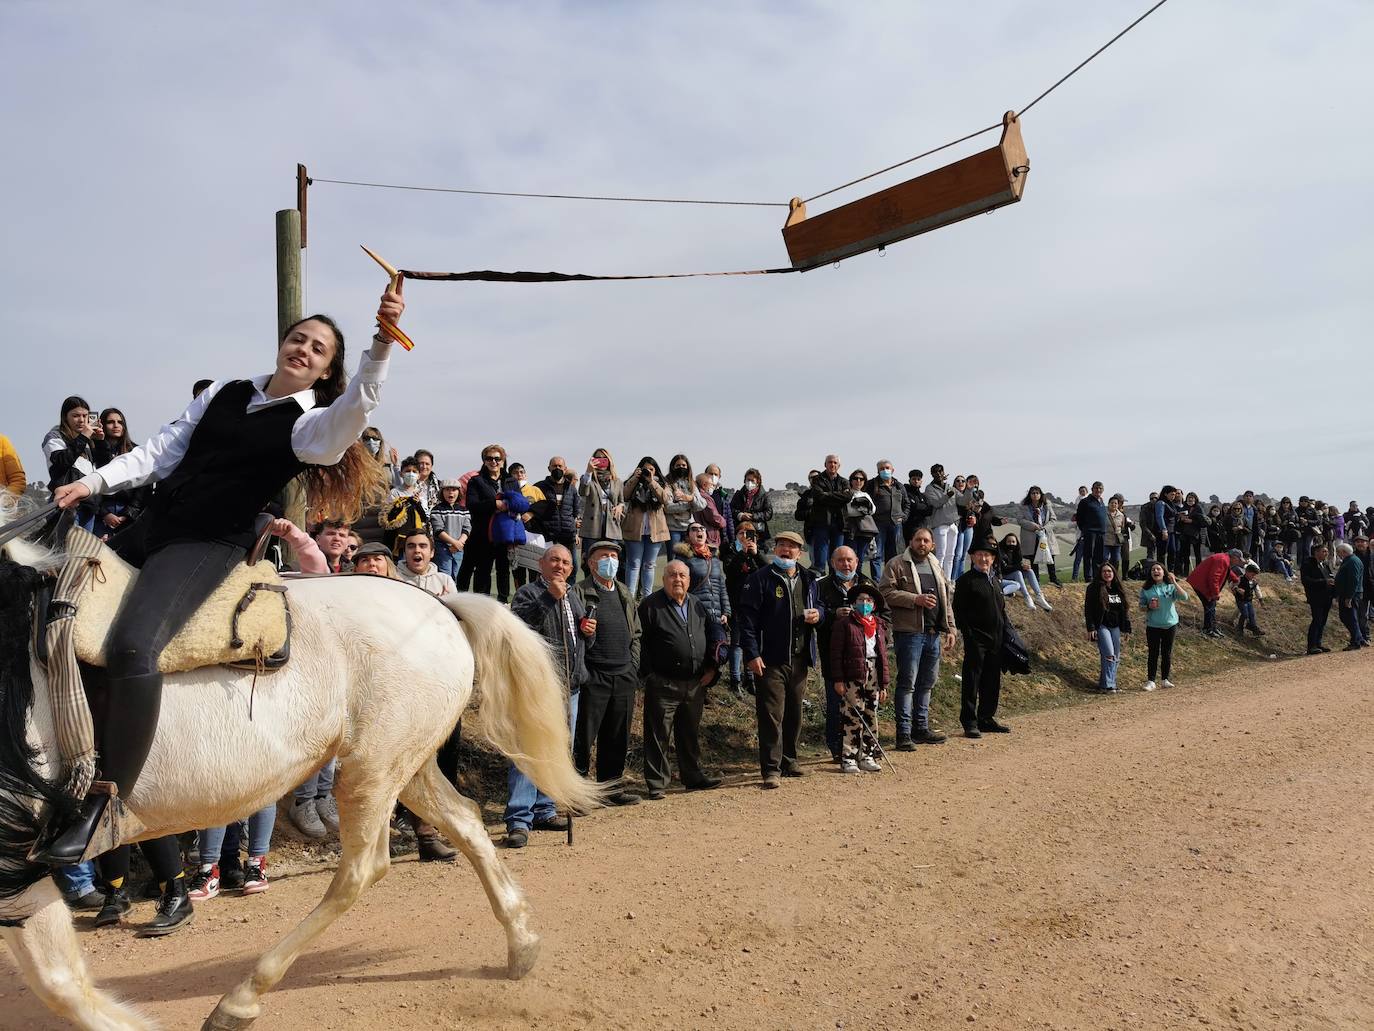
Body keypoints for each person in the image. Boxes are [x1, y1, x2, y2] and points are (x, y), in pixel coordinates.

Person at [42, 284, 403, 872]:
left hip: (208, 544)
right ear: (282, 343)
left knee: (134, 646)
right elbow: (160, 450)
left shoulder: (308, 425)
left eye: (317, 349)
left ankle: (107, 805)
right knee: (49, 605)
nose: (303, 350)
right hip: (151, 524)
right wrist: (94, 483)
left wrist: (381, 344)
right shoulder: (223, 392)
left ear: (327, 367)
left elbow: (354, 413)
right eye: (298, 339)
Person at [505, 545, 588, 846]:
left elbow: (576, 641)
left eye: (566, 562)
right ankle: (519, 818)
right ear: (541, 563)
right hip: (539, 687)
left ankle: (544, 808)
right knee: (529, 749)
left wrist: (587, 632)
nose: (560, 566)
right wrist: (548, 598)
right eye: (554, 559)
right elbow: (520, 628)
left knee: (557, 749)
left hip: (571, 687)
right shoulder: (528, 593)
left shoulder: (574, 596)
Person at [737, 531, 821, 788]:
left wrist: (820, 614)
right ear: (775, 549)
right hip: (770, 659)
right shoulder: (759, 579)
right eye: (782, 545)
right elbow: (746, 620)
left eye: (792, 547)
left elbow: (821, 606)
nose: (786, 550)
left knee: (794, 713)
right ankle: (771, 769)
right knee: (772, 715)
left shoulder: (808, 578)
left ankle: (790, 760)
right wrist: (751, 654)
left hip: (799, 657)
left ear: (800, 552)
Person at [638, 560, 722, 799]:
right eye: (672, 575)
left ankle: (693, 776)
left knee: (689, 733)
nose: (678, 579)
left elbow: (709, 636)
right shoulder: (650, 606)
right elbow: (640, 643)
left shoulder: (696, 604)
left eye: (682, 576)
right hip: (663, 682)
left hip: (695, 682)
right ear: (663, 579)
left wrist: (711, 669)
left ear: (689, 580)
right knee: (658, 735)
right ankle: (657, 783)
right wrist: (649, 674)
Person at [573, 541, 642, 806]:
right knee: (584, 737)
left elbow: (636, 633)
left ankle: (610, 789)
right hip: (593, 676)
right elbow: (575, 633)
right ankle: (578, 794)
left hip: (623, 675)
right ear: (591, 564)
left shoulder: (624, 591)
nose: (610, 561)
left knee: (617, 736)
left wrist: (632, 668)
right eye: (604, 557)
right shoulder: (579, 592)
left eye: (614, 556)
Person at [879, 527, 955, 749]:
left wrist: (951, 628)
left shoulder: (936, 564)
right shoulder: (896, 564)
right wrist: (915, 599)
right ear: (910, 542)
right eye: (918, 539)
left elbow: (945, 599)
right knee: (907, 684)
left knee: (927, 683)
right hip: (909, 633)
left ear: (933, 544)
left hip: (933, 634)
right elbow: (884, 593)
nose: (922, 543)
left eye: (926, 540)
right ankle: (903, 733)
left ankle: (920, 729)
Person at [816, 545, 889, 762]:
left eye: (849, 560)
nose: (845, 564)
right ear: (832, 562)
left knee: (866, 706)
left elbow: (885, 614)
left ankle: (864, 750)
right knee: (835, 702)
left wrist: (876, 628)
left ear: (857, 561)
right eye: (840, 560)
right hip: (835, 655)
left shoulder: (868, 584)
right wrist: (832, 615)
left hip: (866, 658)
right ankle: (838, 749)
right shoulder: (821, 586)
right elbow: (814, 615)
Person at [828, 583, 889, 774]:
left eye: (869, 600)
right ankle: (848, 757)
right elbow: (836, 653)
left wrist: (884, 683)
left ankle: (868, 754)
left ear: (874, 605)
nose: (865, 603)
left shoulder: (879, 625)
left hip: (873, 673)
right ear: (854, 603)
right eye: (861, 600)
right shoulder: (844, 624)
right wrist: (838, 679)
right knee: (852, 715)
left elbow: (883, 655)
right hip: (853, 675)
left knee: (871, 714)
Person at [952, 541, 1011, 737]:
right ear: (972, 557)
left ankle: (986, 718)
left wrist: (1007, 633)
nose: (984, 558)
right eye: (980, 554)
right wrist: (969, 636)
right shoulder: (965, 581)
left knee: (992, 680)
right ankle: (969, 721)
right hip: (976, 640)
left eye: (988, 555)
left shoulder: (994, 580)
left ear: (993, 559)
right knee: (972, 681)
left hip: (996, 639)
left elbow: (1001, 610)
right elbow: (958, 612)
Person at [458, 444, 515, 602]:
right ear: (484, 461)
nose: (494, 462)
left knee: (503, 570)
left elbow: (519, 503)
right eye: (489, 458)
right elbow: (472, 505)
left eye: (497, 458)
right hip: (483, 534)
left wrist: (509, 506)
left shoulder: (511, 481)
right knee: (483, 570)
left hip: (505, 533)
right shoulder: (476, 481)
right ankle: (482, 603)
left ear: (503, 461)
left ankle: (503, 601)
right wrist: (494, 504)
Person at [674, 522, 731, 675]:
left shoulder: (715, 559)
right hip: (695, 613)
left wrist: (726, 611)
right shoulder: (683, 558)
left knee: (719, 650)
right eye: (694, 529)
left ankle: (709, 681)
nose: (699, 531)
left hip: (716, 614)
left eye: (702, 529)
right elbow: (678, 587)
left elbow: (721, 586)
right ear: (688, 536)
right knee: (697, 652)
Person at [92, 408, 152, 542]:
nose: (116, 425)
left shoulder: (136, 452)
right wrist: (104, 513)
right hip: (99, 513)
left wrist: (128, 514)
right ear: (102, 425)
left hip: (128, 514)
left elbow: (144, 485)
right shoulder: (93, 450)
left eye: (120, 422)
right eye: (110, 422)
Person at [722, 523, 767, 695]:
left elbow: (767, 571)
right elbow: (730, 570)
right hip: (737, 603)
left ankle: (750, 678)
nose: (745, 536)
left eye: (750, 533)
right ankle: (735, 679)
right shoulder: (730, 550)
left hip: (755, 605)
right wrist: (742, 553)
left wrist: (756, 554)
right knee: (737, 642)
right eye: (742, 533)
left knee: (752, 642)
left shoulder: (755, 552)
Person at [43, 395, 100, 531]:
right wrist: (84, 437)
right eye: (75, 416)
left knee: (84, 552)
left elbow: (101, 470)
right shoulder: (54, 436)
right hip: (66, 505)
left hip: (88, 508)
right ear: (65, 416)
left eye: (85, 416)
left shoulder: (88, 441)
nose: (81, 420)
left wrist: (101, 442)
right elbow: (62, 461)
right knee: (67, 550)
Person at [621, 456, 670, 599]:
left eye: (651, 469)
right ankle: (629, 597)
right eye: (645, 469)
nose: (648, 471)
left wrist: (651, 482)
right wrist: (635, 478)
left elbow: (665, 499)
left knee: (649, 564)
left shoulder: (661, 483)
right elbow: (624, 495)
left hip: (655, 531)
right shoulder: (633, 481)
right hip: (635, 530)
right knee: (633, 564)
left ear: (656, 471)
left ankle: (647, 597)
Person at [1139, 561, 1188, 691]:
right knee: (1153, 653)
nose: (1156, 571)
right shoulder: (1146, 589)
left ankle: (1165, 679)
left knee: (1167, 653)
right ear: (1150, 573)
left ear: (1163, 572)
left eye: (1158, 569)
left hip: (1170, 624)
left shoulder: (1170, 587)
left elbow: (1185, 597)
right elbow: (1141, 606)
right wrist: (1149, 606)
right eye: (1153, 570)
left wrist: (1175, 582)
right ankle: (1151, 681)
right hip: (1153, 625)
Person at [1084, 561, 1132, 693]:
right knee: (1109, 654)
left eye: (1109, 571)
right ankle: (1109, 685)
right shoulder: (1093, 588)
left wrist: (1127, 628)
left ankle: (1106, 684)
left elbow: (1125, 610)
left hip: (1115, 626)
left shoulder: (1118, 588)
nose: (1107, 573)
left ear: (1114, 573)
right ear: (1100, 573)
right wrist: (1091, 628)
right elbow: (1088, 609)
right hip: (1102, 625)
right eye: (1104, 571)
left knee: (1116, 656)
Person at [577, 448, 625, 570]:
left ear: (609, 461)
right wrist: (588, 471)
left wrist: (620, 506)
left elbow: (622, 501)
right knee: (590, 559)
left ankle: (610, 586)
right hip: (593, 524)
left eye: (604, 458)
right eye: (598, 458)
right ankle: (589, 586)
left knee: (612, 560)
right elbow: (583, 492)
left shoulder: (617, 481)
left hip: (611, 523)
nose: (601, 461)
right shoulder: (588, 478)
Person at [533, 457, 582, 569]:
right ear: (549, 468)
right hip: (548, 536)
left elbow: (575, 511)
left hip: (568, 535)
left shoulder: (571, 488)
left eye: (560, 466)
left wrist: (575, 532)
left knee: (572, 567)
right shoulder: (539, 487)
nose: (557, 468)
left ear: (565, 469)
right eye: (554, 466)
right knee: (548, 567)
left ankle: (568, 587)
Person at [380, 455, 431, 557]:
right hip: (396, 539)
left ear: (418, 474)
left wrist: (417, 504)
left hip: (415, 537)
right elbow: (386, 516)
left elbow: (425, 517)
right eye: (407, 471)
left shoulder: (422, 493)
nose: (410, 474)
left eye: (414, 471)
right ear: (401, 474)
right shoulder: (395, 492)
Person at [1187, 549, 1244, 639]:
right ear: (1234, 557)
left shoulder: (1225, 559)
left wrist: (1236, 579)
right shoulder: (1222, 560)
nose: (1239, 562)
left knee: (1212, 606)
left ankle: (1212, 627)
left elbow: (1227, 571)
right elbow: (1214, 578)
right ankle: (1208, 629)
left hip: (1203, 583)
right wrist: (1215, 593)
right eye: (1239, 560)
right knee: (1210, 606)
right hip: (1200, 584)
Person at [867, 459, 908, 580]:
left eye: (887, 468)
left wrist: (903, 516)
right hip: (877, 524)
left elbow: (907, 504)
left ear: (892, 470)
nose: (885, 470)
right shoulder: (871, 484)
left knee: (893, 555)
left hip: (895, 524)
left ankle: (891, 580)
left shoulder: (899, 486)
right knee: (876, 555)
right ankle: (877, 582)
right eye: (881, 468)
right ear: (877, 471)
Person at [1018, 486, 1061, 588]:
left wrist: (1045, 528)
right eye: (1033, 493)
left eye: (1037, 493)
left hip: (1045, 535)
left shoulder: (1047, 505)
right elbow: (1020, 520)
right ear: (1030, 495)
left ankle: (1053, 578)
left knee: (1050, 557)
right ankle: (1035, 580)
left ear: (1041, 494)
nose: (1035, 495)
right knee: (1033, 558)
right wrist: (1033, 526)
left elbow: (1053, 519)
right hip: (1031, 536)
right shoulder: (1023, 506)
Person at [428, 478, 470, 581]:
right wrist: (454, 543)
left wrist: (459, 543)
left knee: (455, 575)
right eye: (447, 490)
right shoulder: (437, 510)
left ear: (459, 492)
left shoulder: (464, 510)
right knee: (445, 575)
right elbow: (438, 530)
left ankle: (452, 596)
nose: (451, 492)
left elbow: (467, 528)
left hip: (459, 549)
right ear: (442, 492)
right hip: (443, 548)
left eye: (454, 489)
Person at [924, 464, 961, 578]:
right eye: (936, 472)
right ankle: (938, 579)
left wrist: (969, 489)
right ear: (932, 474)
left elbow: (963, 500)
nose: (939, 474)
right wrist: (948, 495)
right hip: (940, 525)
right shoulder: (929, 489)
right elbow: (936, 503)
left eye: (941, 471)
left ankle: (948, 580)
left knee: (951, 555)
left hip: (953, 524)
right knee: (940, 554)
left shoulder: (950, 487)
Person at [1000, 531, 1052, 612]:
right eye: (1009, 541)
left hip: (1014, 574)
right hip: (1004, 576)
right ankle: (1027, 597)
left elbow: (1019, 564)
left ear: (1016, 543)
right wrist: (1020, 567)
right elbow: (1005, 569)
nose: (1011, 543)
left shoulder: (1017, 551)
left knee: (1030, 571)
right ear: (1005, 542)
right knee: (1018, 572)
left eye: (1013, 542)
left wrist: (1025, 567)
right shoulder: (1001, 552)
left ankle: (1039, 596)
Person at [396, 529, 457, 596]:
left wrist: (444, 603)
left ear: (432, 553)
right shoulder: (393, 578)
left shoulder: (445, 581)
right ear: (404, 553)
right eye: (411, 546)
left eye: (422, 546)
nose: (417, 550)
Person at [1300, 542, 1335, 654]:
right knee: (1317, 620)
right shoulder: (1308, 564)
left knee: (1323, 621)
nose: (1326, 553)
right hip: (1316, 597)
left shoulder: (1325, 564)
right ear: (1316, 552)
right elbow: (1306, 581)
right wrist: (1324, 582)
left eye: (1326, 551)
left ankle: (1318, 643)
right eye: (1323, 551)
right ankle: (1312, 645)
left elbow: (1330, 577)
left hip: (1327, 597)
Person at [841, 469, 878, 574]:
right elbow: (849, 511)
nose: (858, 481)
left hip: (864, 532)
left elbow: (872, 510)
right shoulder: (847, 493)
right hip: (850, 530)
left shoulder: (866, 495)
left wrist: (859, 507)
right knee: (850, 556)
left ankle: (857, 578)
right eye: (856, 478)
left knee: (860, 558)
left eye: (861, 479)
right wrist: (863, 508)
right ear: (851, 480)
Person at [1333, 541, 1367, 650]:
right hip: (1348, 593)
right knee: (1348, 617)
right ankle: (1359, 638)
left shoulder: (1353, 561)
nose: (1338, 554)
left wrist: (1349, 597)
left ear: (1343, 552)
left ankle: (1356, 640)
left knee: (1349, 617)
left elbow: (1354, 580)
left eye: (1339, 552)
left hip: (1352, 594)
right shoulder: (1350, 560)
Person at [663, 454, 701, 551]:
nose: (681, 468)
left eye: (683, 465)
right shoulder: (667, 483)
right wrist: (689, 502)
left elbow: (701, 504)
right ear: (673, 467)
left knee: (690, 557)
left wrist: (690, 499)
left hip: (689, 527)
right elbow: (668, 507)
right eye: (678, 465)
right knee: (674, 558)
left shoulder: (691, 483)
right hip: (673, 528)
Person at [731, 468, 773, 547]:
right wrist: (740, 515)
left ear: (758, 481)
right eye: (748, 480)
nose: (749, 483)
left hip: (758, 533)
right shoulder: (738, 494)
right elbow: (731, 509)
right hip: (740, 531)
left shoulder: (764, 496)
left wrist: (752, 516)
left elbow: (768, 513)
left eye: (752, 480)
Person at [1075, 482, 1108, 579]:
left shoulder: (1101, 501)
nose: (1098, 490)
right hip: (1090, 532)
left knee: (1099, 556)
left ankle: (1097, 576)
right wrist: (1085, 530)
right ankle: (1088, 577)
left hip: (1101, 533)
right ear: (1092, 489)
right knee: (1089, 555)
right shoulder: (1085, 502)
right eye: (1096, 488)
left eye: (1100, 488)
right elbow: (1079, 518)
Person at [693, 472, 728, 552]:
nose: (713, 487)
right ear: (704, 485)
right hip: (709, 536)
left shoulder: (695, 496)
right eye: (711, 485)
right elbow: (714, 517)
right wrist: (723, 521)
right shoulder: (706, 497)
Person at [1174, 491, 1205, 575]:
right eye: (1189, 498)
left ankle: (1199, 573)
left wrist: (1191, 521)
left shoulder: (1199, 508)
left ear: (1195, 499)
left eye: (1192, 498)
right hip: (1184, 534)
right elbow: (1177, 522)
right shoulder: (1183, 508)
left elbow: (1202, 522)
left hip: (1195, 534)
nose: (1190, 499)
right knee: (1185, 554)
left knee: (1197, 554)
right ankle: (1185, 573)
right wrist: (1181, 519)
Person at [1232, 561, 1265, 637]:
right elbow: (1233, 585)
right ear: (1246, 572)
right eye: (1252, 574)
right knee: (1245, 614)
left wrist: (1261, 600)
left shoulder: (1253, 582)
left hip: (1249, 600)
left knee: (1252, 614)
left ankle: (1254, 628)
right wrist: (1237, 589)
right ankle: (1239, 628)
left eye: (1254, 575)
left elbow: (1257, 590)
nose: (1253, 576)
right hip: (1241, 600)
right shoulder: (1240, 579)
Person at [902, 469, 932, 542]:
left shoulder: (923, 496)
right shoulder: (905, 494)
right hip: (909, 528)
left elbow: (930, 510)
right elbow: (913, 507)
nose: (916, 481)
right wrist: (921, 507)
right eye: (914, 479)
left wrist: (918, 506)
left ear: (921, 481)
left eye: (918, 479)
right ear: (910, 480)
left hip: (922, 526)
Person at [413, 448, 442, 512]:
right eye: (421, 463)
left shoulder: (440, 486)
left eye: (427, 464)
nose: (424, 466)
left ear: (431, 466)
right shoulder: (408, 484)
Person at [1104, 496, 1128, 570]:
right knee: (1104, 558)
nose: (1114, 504)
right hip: (1105, 541)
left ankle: (1115, 576)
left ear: (1118, 505)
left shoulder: (1121, 515)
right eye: (1112, 503)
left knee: (1116, 560)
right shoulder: (1104, 514)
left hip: (1116, 542)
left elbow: (1122, 527)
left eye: (1115, 503)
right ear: (1108, 504)